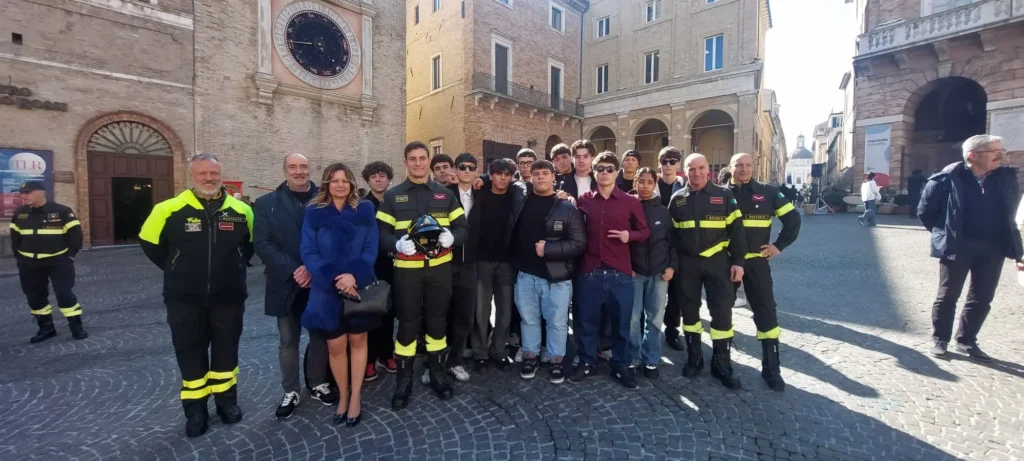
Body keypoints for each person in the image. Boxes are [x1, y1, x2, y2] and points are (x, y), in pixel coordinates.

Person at [138, 153, 254, 437]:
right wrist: (176, 267)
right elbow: (150, 243)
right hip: (183, 298)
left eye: (213, 173)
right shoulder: (169, 208)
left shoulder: (241, 211)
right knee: (190, 353)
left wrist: (235, 265)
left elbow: (249, 246)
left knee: (227, 353)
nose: (208, 178)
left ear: (221, 175)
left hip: (228, 296)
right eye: (202, 173)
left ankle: (227, 404)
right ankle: (196, 411)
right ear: (191, 176)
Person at [376, 141, 469, 410]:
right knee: (407, 325)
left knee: (438, 324)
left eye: (422, 158)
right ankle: (403, 383)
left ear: (428, 161)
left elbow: (463, 228)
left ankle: (438, 376)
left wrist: (453, 237)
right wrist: (395, 244)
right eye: (412, 159)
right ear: (404, 163)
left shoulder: (445, 195)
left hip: (440, 271)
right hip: (407, 273)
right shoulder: (392, 197)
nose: (418, 163)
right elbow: (380, 233)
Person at [918, 134, 1022, 361]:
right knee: (948, 295)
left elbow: (1013, 216)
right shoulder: (945, 180)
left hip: (992, 248)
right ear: (973, 156)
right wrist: (945, 235)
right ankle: (940, 339)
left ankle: (966, 340)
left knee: (982, 296)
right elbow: (926, 212)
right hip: (958, 246)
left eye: (1001, 150)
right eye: (994, 151)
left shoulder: (1006, 179)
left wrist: (1017, 250)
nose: (1001, 155)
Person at [253, 153, 338, 420]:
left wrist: (314, 268)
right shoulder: (267, 204)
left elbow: (336, 238)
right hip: (285, 282)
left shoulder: (327, 201)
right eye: (293, 167)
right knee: (288, 340)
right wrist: (295, 269)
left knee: (320, 337)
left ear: (310, 170)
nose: (299, 171)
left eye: (303, 167)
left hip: (319, 282)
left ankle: (317, 382)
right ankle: (290, 390)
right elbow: (263, 244)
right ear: (285, 170)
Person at [300, 162, 380, 427]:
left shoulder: (364, 210)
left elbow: (371, 248)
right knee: (335, 347)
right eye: (334, 180)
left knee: (358, 343)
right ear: (326, 183)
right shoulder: (314, 212)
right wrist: (333, 278)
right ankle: (343, 395)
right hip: (326, 291)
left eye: (345, 180)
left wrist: (354, 276)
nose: (340, 184)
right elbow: (308, 250)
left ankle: (356, 396)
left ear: (352, 183)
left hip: (357, 287)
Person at [571, 152, 650, 389]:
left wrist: (630, 235)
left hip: (620, 274)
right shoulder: (583, 200)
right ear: (594, 172)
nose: (604, 173)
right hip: (590, 272)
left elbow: (645, 231)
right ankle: (587, 361)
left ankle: (621, 365)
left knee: (621, 324)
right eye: (600, 169)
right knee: (585, 323)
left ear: (617, 172)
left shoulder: (630, 202)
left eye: (609, 169)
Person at [668, 153, 746, 389]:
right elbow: (670, 237)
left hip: (718, 262)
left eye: (701, 168)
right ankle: (695, 358)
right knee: (689, 312)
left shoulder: (724, 195)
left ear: (708, 169)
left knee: (722, 312)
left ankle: (722, 362)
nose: (697, 173)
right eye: (691, 169)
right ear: (685, 171)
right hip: (687, 265)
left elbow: (737, 232)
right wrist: (673, 264)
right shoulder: (677, 199)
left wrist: (739, 262)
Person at [727, 153, 801, 391]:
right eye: (739, 165)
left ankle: (771, 367)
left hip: (758, 264)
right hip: (727, 263)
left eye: (748, 165)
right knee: (720, 311)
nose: (744, 169)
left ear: (754, 167)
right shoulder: (720, 193)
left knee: (766, 312)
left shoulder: (768, 192)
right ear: (730, 168)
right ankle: (721, 361)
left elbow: (793, 220)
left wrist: (778, 246)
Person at [513, 160, 587, 383]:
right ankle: (531, 356)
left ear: (554, 177)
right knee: (528, 320)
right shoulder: (520, 202)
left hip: (557, 277)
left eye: (546, 173)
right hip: (525, 274)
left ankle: (556, 359)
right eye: (536, 174)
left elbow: (579, 243)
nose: (541, 177)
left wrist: (549, 249)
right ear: (531, 177)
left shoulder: (567, 207)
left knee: (557, 322)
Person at [9, 180, 86, 343]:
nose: (24, 196)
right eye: (22, 193)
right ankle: (46, 328)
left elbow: (76, 236)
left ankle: (76, 327)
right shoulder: (20, 213)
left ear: (41, 192)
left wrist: (70, 256)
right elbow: (15, 239)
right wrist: (20, 258)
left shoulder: (61, 211)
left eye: (28, 192)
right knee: (35, 297)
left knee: (64, 294)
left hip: (58, 262)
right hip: (29, 264)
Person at [627, 168, 676, 379]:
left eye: (649, 182)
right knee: (632, 318)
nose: (645, 186)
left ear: (654, 183)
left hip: (659, 272)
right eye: (641, 182)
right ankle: (632, 357)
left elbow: (673, 242)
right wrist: (625, 266)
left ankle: (651, 358)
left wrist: (672, 267)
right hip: (634, 272)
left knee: (655, 319)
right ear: (635, 182)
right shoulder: (627, 207)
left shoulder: (664, 211)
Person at [471, 158, 518, 372]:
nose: (502, 178)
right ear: (490, 176)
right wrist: (479, 179)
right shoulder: (479, 192)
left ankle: (499, 350)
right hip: (481, 259)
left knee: (505, 310)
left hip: (507, 260)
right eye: (498, 174)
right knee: (481, 309)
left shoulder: (516, 195)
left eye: (507, 174)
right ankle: (480, 351)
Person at [442, 153, 482, 382]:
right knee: (439, 316)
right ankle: (434, 362)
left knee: (464, 316)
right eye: (463, 167)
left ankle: (455, 361)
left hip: (470, 265)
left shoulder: (482, 193)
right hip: (445, 263)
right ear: (456, 169)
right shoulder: (444, 194)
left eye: (471, 167)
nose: (467, 171)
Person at [361, 161, 397, 381]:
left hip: (395, 264)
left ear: (388, 178)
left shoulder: (396, 201)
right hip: (372, 265)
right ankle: (369, 358)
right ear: (368, 180)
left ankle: (387, 353)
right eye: (373, 176)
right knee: (371, 313)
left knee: (390, 312)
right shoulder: (363, 205)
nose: (378, 179)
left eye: (382, 175)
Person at [655, 147, 687, 352]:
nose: (668, 164)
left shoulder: (685, 187)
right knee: (652, 291)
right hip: (654, 245)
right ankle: (649, 331)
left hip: (677, 244)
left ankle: (672, 331)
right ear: (659, 163)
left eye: (672, 161)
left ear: (678, 164)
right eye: (664, 161)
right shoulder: (650, 182)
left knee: (676, 293)